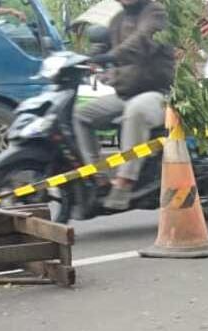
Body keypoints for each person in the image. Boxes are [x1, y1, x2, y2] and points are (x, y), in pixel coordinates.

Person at [73, 0, 175, 211]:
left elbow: (140, 42)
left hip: (159, 94)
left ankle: (125, 181)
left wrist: (110, 56)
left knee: (135, 111)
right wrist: (87, 57)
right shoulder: (117, 19)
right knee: (81, 115)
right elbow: (104, 46)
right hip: (126, 93)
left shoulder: (155, 12)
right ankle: (97, 177)